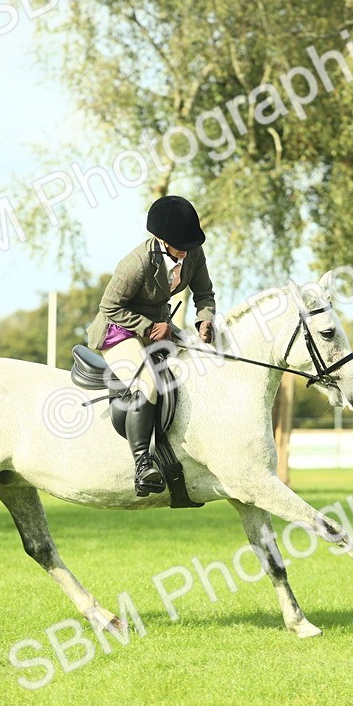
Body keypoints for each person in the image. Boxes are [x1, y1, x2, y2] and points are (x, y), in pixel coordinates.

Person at [86, 195, 217, 496]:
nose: (185, 252)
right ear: (160, 239)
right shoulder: (137, 262)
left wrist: (204, 320)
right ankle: (143, 464)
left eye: (188, 244)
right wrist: (147, 327)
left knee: (197, 365)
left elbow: (205, 294)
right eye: (179, 245)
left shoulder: (194, 253)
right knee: (147, 383)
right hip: (118, 331)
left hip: (160, 328)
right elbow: (109, 307)